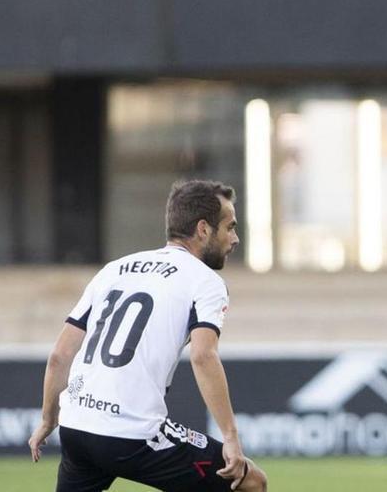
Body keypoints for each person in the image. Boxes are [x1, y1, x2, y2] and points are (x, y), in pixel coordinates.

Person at [28, 180, 268, 492]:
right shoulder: (205, 281)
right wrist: (231, 437)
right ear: (203, 229)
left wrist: (49, 420)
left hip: (76, 428)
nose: (235, 239)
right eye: (230, 227)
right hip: (132, 434)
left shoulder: (113, 270)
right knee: (250, 482)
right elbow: (203, 355)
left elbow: (60, 355)